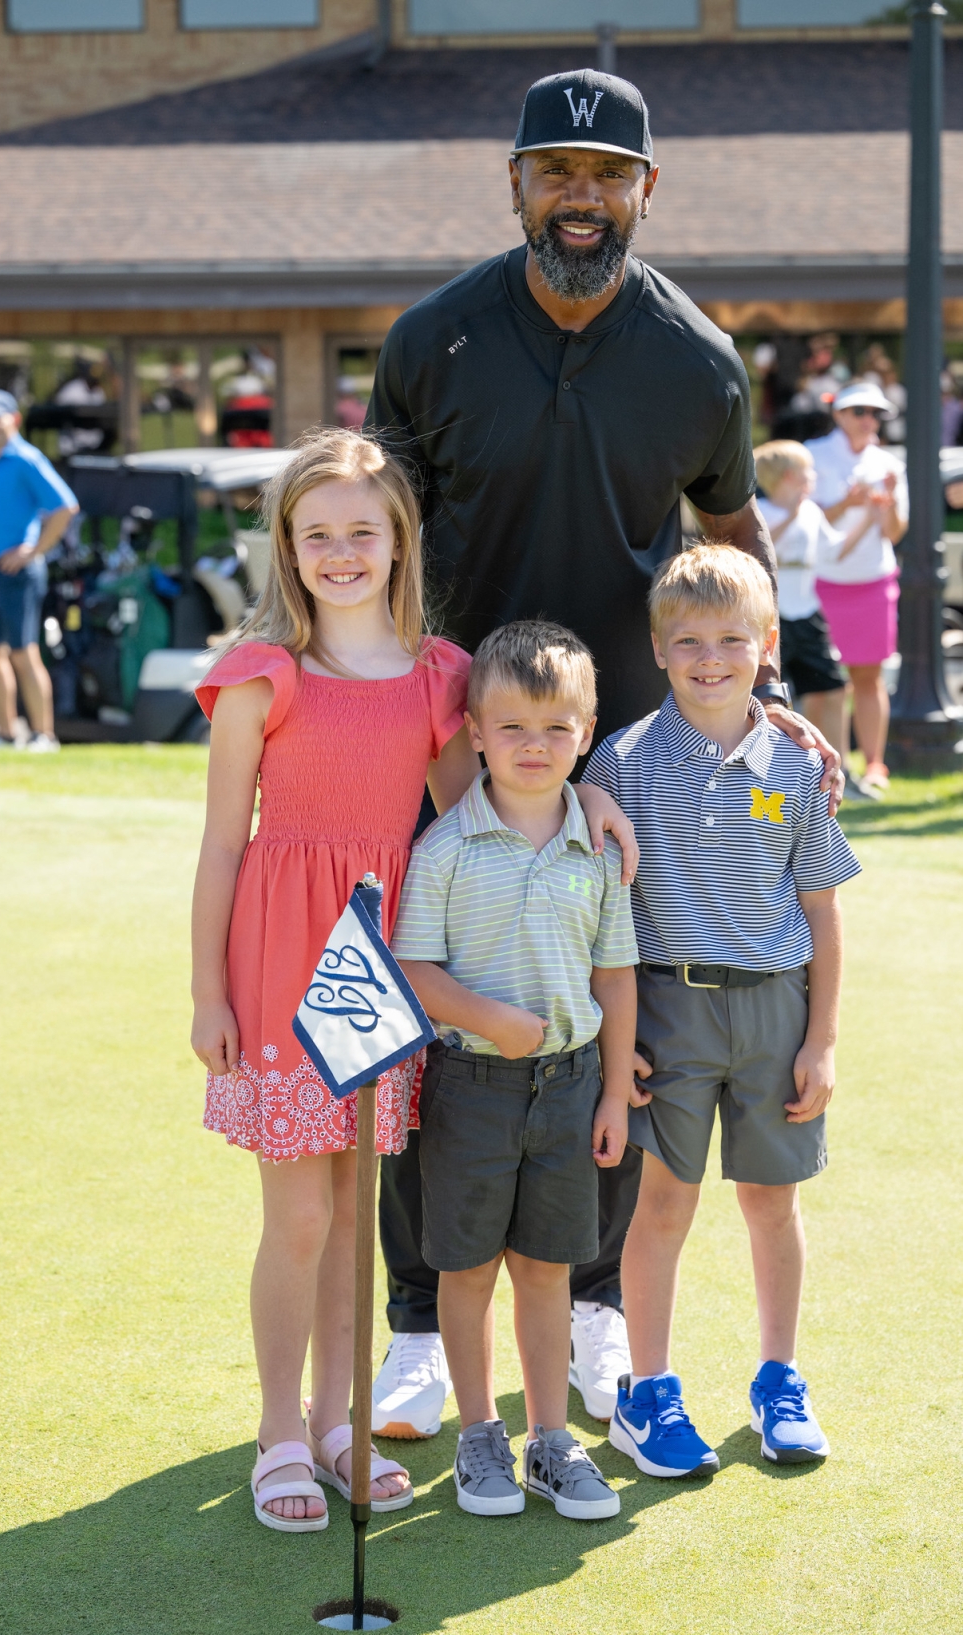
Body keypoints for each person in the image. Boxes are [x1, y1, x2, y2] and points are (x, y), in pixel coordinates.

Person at [365, 65, 841, 1437]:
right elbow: (375, 538)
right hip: (452, 744)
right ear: (513, 182)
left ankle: (585, 1310)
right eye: (553, 172)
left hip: (616, 757)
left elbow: (731, 540)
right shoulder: (432, 339)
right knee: (432, 1023)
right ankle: (414, 1317)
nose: (580, 197)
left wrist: (781, 685)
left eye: (605, 174)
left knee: (607, 1041)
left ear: (647, 188)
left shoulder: (693, 358)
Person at [187, 429, 629, 1533]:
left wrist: (594, 803)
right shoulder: (262, 675)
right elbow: (222, 847)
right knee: (295, 1214)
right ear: (288, 545)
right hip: (286, 959)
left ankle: (342, 1419)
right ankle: (279, 1430)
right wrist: (206, 992)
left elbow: (487, 806)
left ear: (399, 543)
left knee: (351, 1208)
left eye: (362, 533)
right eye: (316, 533)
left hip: (385, 964)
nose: (341, 552)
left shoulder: (441, 677)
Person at [583, 544, 860, 1476]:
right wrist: (618, 1051)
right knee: (664, 1205)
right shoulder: (618, 764)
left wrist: (821, 1041)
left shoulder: (796, 764)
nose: (711, 656)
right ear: (658, 650)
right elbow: (602, 921)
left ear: (767, 644)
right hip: (669, 1014)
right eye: (689, 640)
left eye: (733, 638)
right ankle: (649, 1392)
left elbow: (822, 910)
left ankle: (779, 1377)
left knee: (771, 1204)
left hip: (777, 1014)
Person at [392, 621, 639, 1521]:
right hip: (471, 1088)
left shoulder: (598, 848)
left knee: (546, 1269)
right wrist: (492, 1018)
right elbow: (414, 970)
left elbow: (614, 973)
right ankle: (478, 1436)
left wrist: (614, 1089)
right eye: (512, 729)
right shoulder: (446, 849)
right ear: (475, 733)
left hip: (572, 1086)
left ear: (587, 730)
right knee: (468, 1270)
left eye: (556, 729)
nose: (534, 748)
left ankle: (549, 1439)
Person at [754, 440, 876, 799]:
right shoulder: (759, 511)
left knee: (834, 689)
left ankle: (842, 773)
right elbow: (761, 546)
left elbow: (835, 551)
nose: (814, 478)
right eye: (808, 471)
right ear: (791, 476)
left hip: (807, 617)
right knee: (770, 699)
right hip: (771, 622)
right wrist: (792, 513)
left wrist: (869, 516)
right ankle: (772, 776)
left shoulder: (812, 513)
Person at [807, 380, 908, 793]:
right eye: (859, 412)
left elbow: (896, 532)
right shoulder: (812, 455)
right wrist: (848, 504)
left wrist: (886, 506)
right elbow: (803, 519)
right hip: (821, 582)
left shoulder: (889, 463)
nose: (869, 420)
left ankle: (874, 766)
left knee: (869, 677)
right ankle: (822, 768)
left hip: (872, 579)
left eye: (876, 413)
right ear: (839, 414)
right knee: (825, 684)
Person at [0, 389, 79, 753]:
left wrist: (33, 551)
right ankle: (5, 732)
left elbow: (64, 508)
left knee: (22, 652)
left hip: (17, 573)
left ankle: (43, 735)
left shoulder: (27, 459)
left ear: (13, 420)